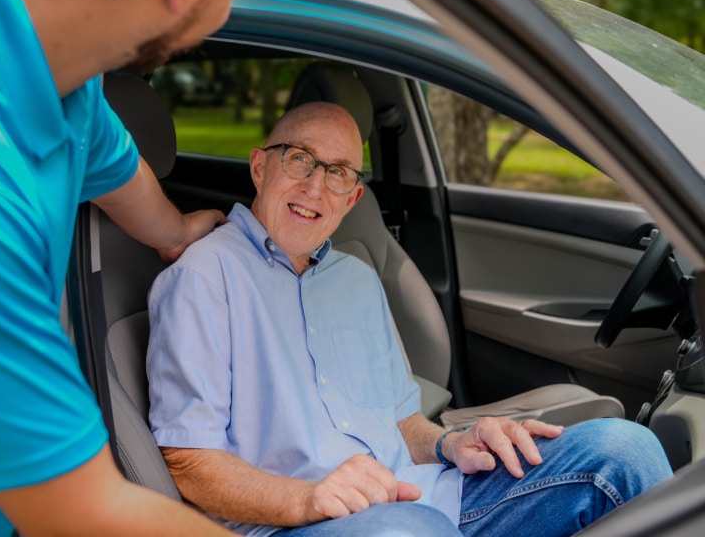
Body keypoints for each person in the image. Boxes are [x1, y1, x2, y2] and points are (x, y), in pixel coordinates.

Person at [147, 101, 673, 537]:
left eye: (337, 173)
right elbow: (189, 462)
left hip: (429, 495)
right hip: (305, 524)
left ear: (353, 197)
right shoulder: (203, 276)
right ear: (260, 166)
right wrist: (308, 498)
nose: (315, 188)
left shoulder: (353, 279)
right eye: (300, 159)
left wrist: (452, 442)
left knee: (624, 449)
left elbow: (402, 422)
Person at [0, 0, 257, 535]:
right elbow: (88, 514)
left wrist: (176, 233)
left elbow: (119, 171)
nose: (225, 12)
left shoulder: (56, 64)